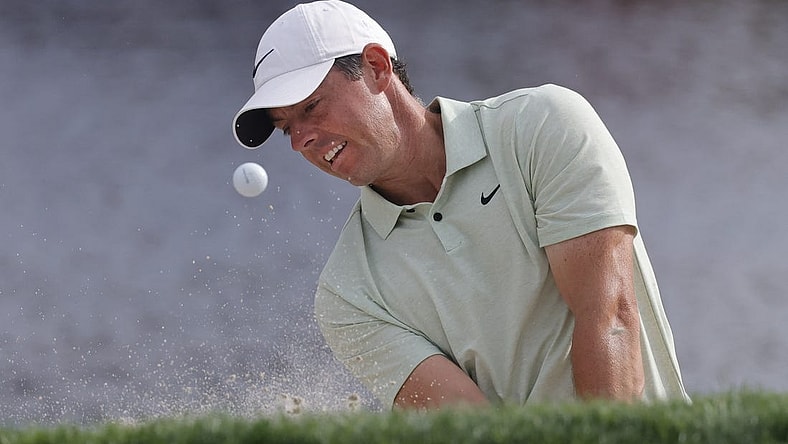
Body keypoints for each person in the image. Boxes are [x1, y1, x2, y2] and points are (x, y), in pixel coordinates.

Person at [232, 0, 690, 410]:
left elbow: (608, 319)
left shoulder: (542, 127)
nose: (299, 141)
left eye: (310, 107)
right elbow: (471, 427)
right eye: (284, 127)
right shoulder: (348, 294)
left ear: (376, 67)